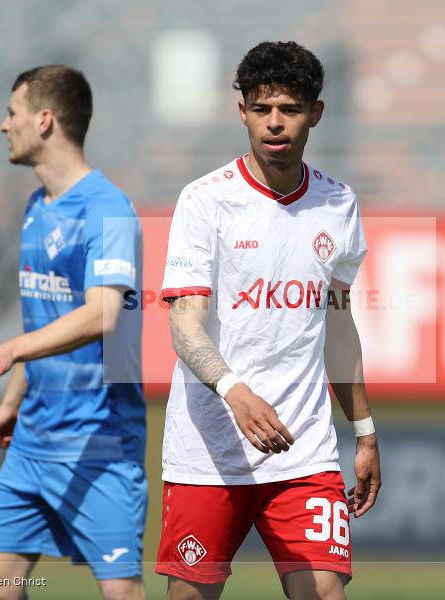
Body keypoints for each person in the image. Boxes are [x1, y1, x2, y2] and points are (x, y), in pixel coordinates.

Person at [156, 42, 382, 600]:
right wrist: (235, 392)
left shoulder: (339, 203)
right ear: (243, 112)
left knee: (325, 593)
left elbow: (338, 326)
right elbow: (185, 325)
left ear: (316, 113)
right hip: (208, 450)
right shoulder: (204, 201)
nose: (274, 123)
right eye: (262, 109)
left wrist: (364, 432)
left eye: (289, 109)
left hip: (304, 450)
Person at [0, 65, 146, 600]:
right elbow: (43, 319)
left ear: (44, 121)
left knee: (122, 594)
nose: (3, 125)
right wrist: (12, 400)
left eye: (11, 113)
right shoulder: (36, 207)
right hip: (33, 441)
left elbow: (102, 314)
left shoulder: (108, 208)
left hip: (99, 443)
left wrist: (10, 353)